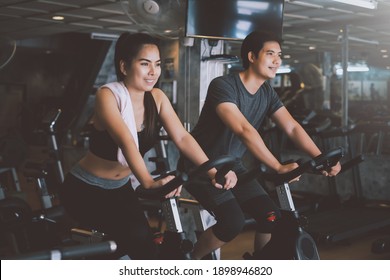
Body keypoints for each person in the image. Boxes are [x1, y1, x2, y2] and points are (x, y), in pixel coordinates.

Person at [58, 32, 237, 260]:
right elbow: (126, 140)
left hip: (120, 188)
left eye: (158, 64)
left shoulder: (157, 98)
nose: (153, 72)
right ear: (124, 66)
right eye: (145, 64)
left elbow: (182, 138)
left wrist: (214, 172)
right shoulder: (108, 95)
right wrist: (149, 182)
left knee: (145, 248)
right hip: (85, 189)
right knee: (130, 241)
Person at [178, 30, 341, 260]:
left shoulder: (267, 92)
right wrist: (277, 167)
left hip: (233, 165)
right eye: (270, 53)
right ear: (252, 56)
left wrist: (322, 157)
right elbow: (243, 130)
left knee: (270, 216)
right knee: (232, 222)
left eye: (279, 55)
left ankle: (258, 263)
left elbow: (291, 126)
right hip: (202, 165)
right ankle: (188, 263)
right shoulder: (223, 85)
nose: (277, 60)